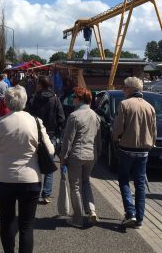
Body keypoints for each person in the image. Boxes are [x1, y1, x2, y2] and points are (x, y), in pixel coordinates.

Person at [0, 85, 54, 253]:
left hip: (4, 178)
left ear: (7, 102)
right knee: (26, 225)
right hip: (30, 178)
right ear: (25, 101)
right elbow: (50, 150)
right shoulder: (36, 122)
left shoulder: (0, 122)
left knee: (7, 221)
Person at [112, 77, 156, 229]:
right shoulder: (150, 107)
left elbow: (117, 128)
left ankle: (130, 212)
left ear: (130, 89)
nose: (123, 90)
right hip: (144, 150)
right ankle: (140, 219)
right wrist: (151, 144)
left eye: (124, 87)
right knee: (140, 184)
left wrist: (116, 139)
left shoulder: (124, 104)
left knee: (124, 179)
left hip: (126, 148)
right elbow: (153, 130)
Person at [59, 87, 100, 228]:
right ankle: (91, 210)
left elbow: (67, 140)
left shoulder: (74, 116)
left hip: (76, 155)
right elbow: (98, 138)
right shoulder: (95, 115)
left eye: (74, 97)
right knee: (86, 181)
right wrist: (97, 154)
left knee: (75, 186)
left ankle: (77, 218)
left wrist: (63, 157)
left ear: (80, 99)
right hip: (91, 155)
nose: (73, 99)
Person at [28, 75, 65, 204]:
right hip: (51, 134)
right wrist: (59, 132)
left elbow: (28, 115)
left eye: (37, 83)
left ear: (40, 85)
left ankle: (33, 191)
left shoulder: (33, 99)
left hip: (35, 133)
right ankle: (46, 194)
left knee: (34, 163)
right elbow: (61, 118)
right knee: (49, 164)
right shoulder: (55, 99)